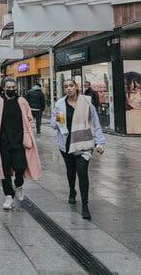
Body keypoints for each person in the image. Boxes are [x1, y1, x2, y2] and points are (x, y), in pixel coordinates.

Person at [51, 79, 105, 220]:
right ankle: (71, 191)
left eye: (71, 86)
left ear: (76, 87)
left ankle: (85, 205)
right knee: (70, 171)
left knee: (82, 172)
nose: (68, 88)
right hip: (66, 143)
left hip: (85, 143)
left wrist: (99, 142)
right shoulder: (60, 104)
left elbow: (96, 123)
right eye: (66, 87)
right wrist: (57, 120)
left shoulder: (87, 102)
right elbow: (53, 124)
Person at [0, 77, 42, 211]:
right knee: (4, 170)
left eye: (13, 87)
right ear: (3, 87)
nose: (11, 89)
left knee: (20, 167)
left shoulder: (22, 101)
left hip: (19, 141)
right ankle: (8, 196)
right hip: (3, 143)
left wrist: (31, 130)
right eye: (8, 87)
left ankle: (19, 185)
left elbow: (30, 118)